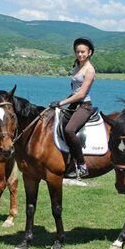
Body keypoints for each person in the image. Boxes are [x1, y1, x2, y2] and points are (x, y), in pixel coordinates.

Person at [51, 37, 96, 186]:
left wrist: (61, 102)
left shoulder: (90, 70)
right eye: (78, 52)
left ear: (89, 52)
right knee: (55, 125)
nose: (80, 54)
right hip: (73, 104)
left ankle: (82, 165)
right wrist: (61, 104)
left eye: (83, 52)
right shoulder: (77, 67)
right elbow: (74, 91)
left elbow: (81, 94)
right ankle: (65, 163)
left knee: (70, 130)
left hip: (84, 106)